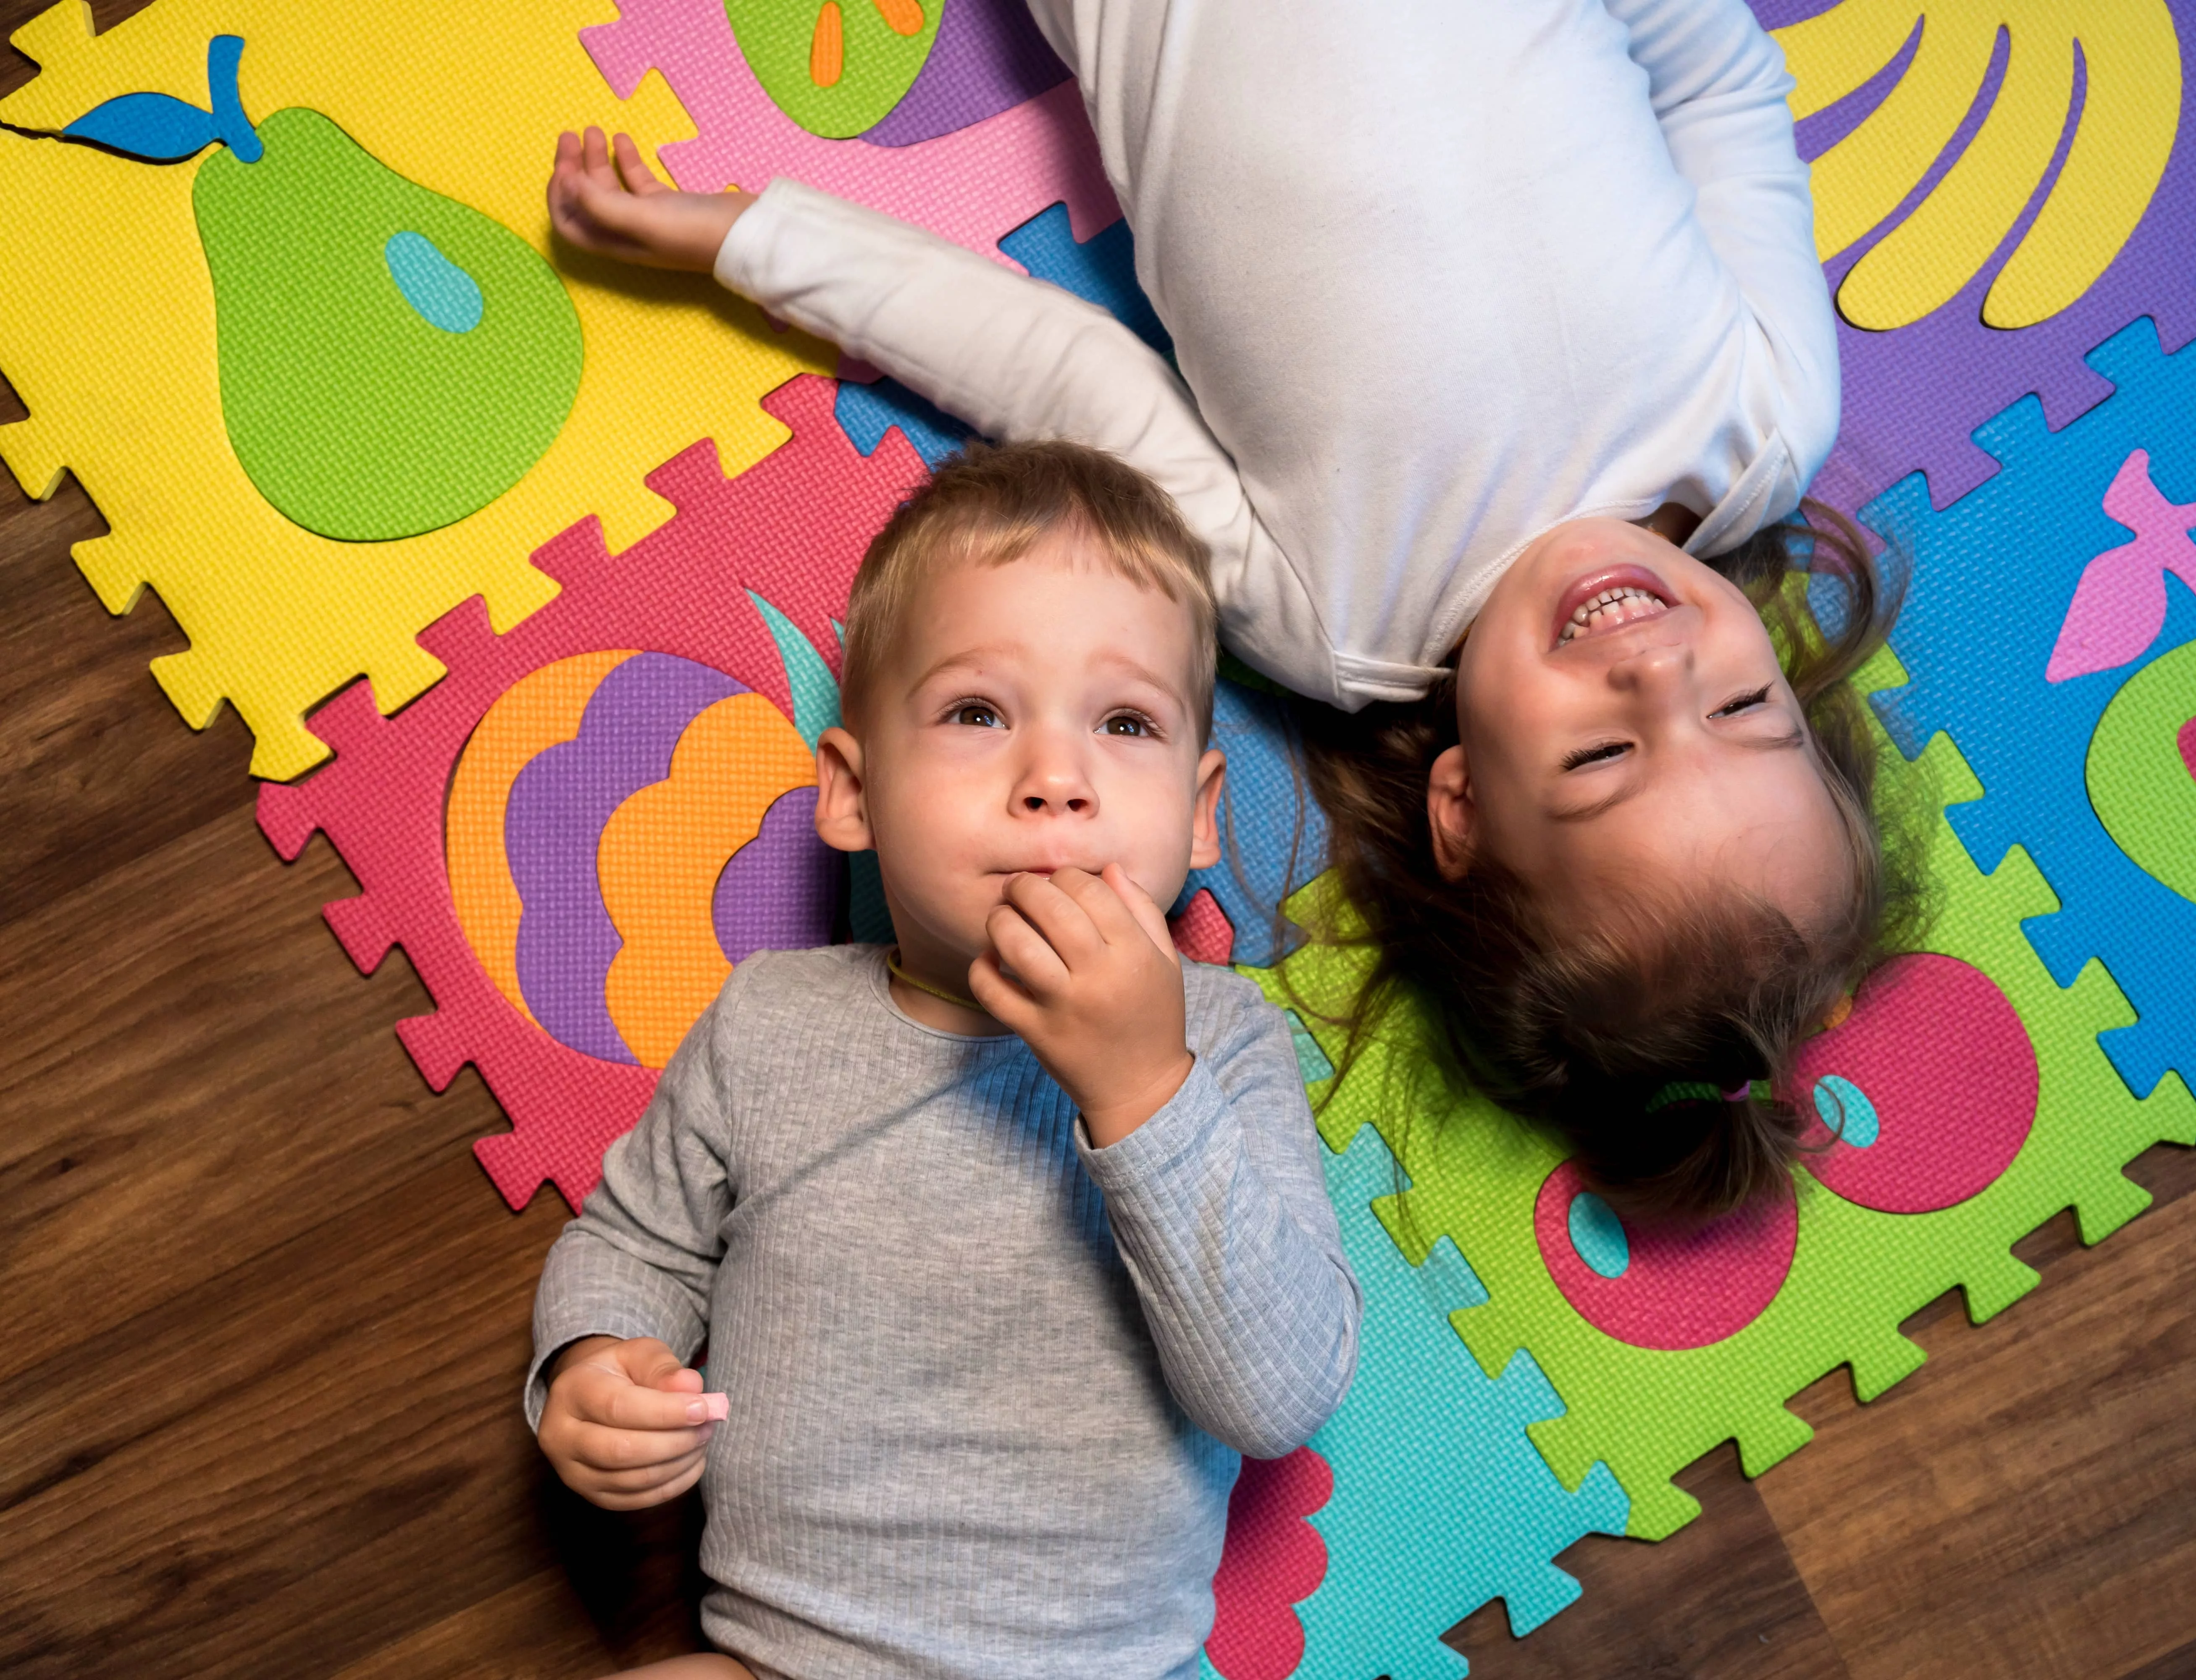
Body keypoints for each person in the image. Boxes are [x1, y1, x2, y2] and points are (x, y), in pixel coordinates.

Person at [545, 0, 1914, 1220]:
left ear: (1462, 810)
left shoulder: (1332, 609)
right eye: (1746, 708)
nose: (1656, 667)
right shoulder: (1766, 419)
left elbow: (1062, 374)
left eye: (1604, 757)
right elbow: (1720, 86)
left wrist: (756, 239)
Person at [527, 442, 1361, 1680]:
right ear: (855, 795)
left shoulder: (1223, 1042)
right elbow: (634, 1244)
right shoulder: (770, 1024)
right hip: (783, 1656)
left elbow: (1281, 1393)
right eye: (979, 713)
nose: (1057, 781)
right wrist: (591, 1368)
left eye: (1124, 723)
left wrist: (1141, 1091)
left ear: (1196, 816)